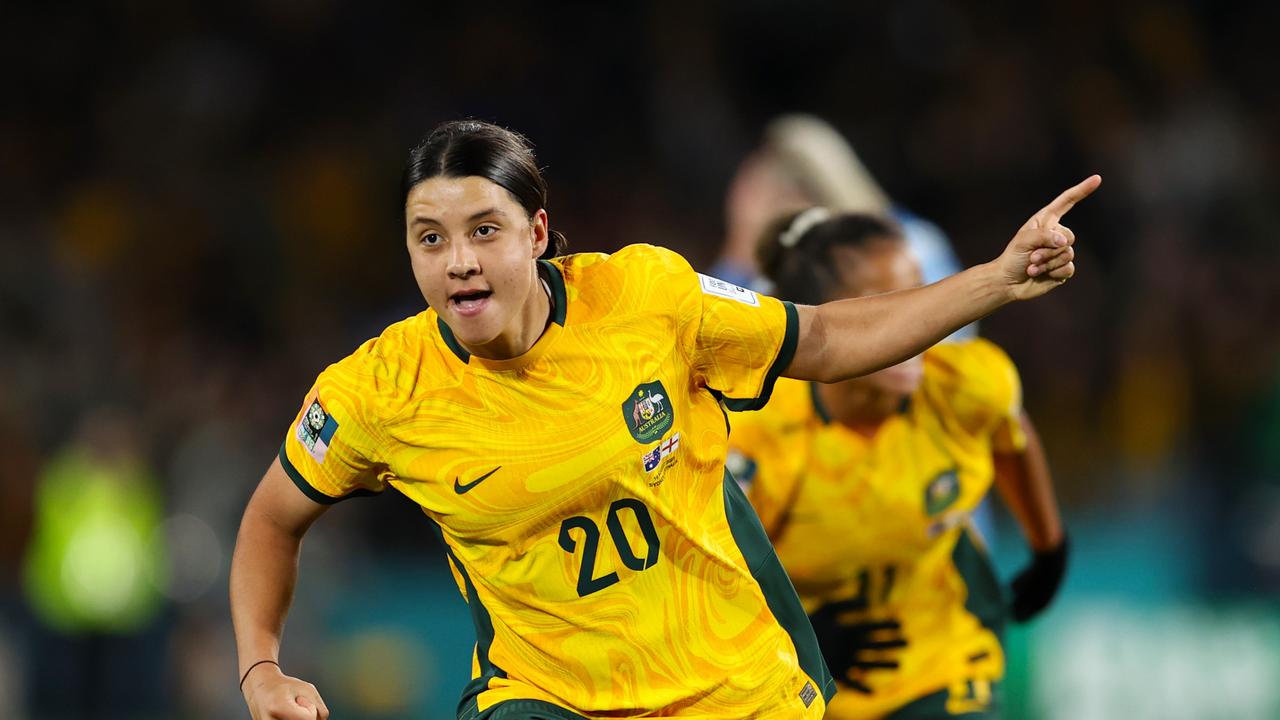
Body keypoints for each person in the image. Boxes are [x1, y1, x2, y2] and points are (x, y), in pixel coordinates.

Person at [229, 119, 1096, 720]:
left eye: (483, 231)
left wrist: (997, 277)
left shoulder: (647, 297)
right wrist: (260, 666)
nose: (458, 262)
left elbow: (826, 336)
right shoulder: (378, 390)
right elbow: (272, 518)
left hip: (731, 685)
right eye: (430, 239)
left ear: (536, 234)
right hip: (544, 696)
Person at [726, 209, 1069, 719]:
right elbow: (714, 578)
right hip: (797, 681)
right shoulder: (755, 437)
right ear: (828, 326)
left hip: (942, 655)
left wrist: (1049, 549)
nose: (913, 330)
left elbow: (1011, 437)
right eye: (879, 309)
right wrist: (802, 636)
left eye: (917, 296)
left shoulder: (967, 386)